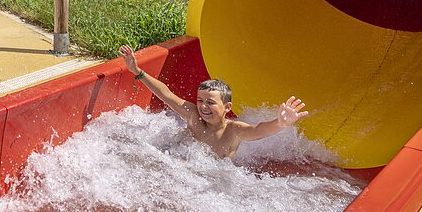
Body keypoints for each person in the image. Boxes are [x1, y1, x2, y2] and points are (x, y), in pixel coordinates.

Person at [117, 45, 308, 160]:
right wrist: (137, 71)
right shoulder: (193, 116)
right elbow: (166, 94)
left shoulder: (233, 130)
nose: (203, 106)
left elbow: (258, 130)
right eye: (200, 100)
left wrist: (280, 123)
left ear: (227, 108)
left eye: (210, 102)